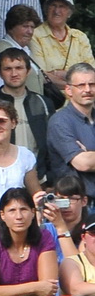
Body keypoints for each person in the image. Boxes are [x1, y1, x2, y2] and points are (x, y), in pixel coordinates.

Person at [0, 47, 52, 165]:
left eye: (19, 68)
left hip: (38, 176)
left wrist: (48, 177)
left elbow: (52, 144)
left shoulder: (43, 103)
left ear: (28, 71)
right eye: (8, 69)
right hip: (0, 175)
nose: (14, 74)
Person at [30, 0, 90, 97]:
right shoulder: (35, 35)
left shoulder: (80, 37)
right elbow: (41, 76)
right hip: (54, 103)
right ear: (46, 10)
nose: (57, 11)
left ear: (69, 13)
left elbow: (91, 73)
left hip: (82, 102)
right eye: (53, 5)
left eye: (62, 6)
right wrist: (78, 85)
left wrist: (60, 74)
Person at [48, 62, 95, 198]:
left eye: (92, 84)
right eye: (81, 85)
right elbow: (82, 163)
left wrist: (89, 154)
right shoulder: (60, 121)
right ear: (68, 90)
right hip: (77, 204)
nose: (88, 90)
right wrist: (85, 158)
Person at [0, 5, 46, 98]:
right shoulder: (1, 52)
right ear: (11, 27)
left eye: (32, 27)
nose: (30, 31)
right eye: (25, 26)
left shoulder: (25, 49)